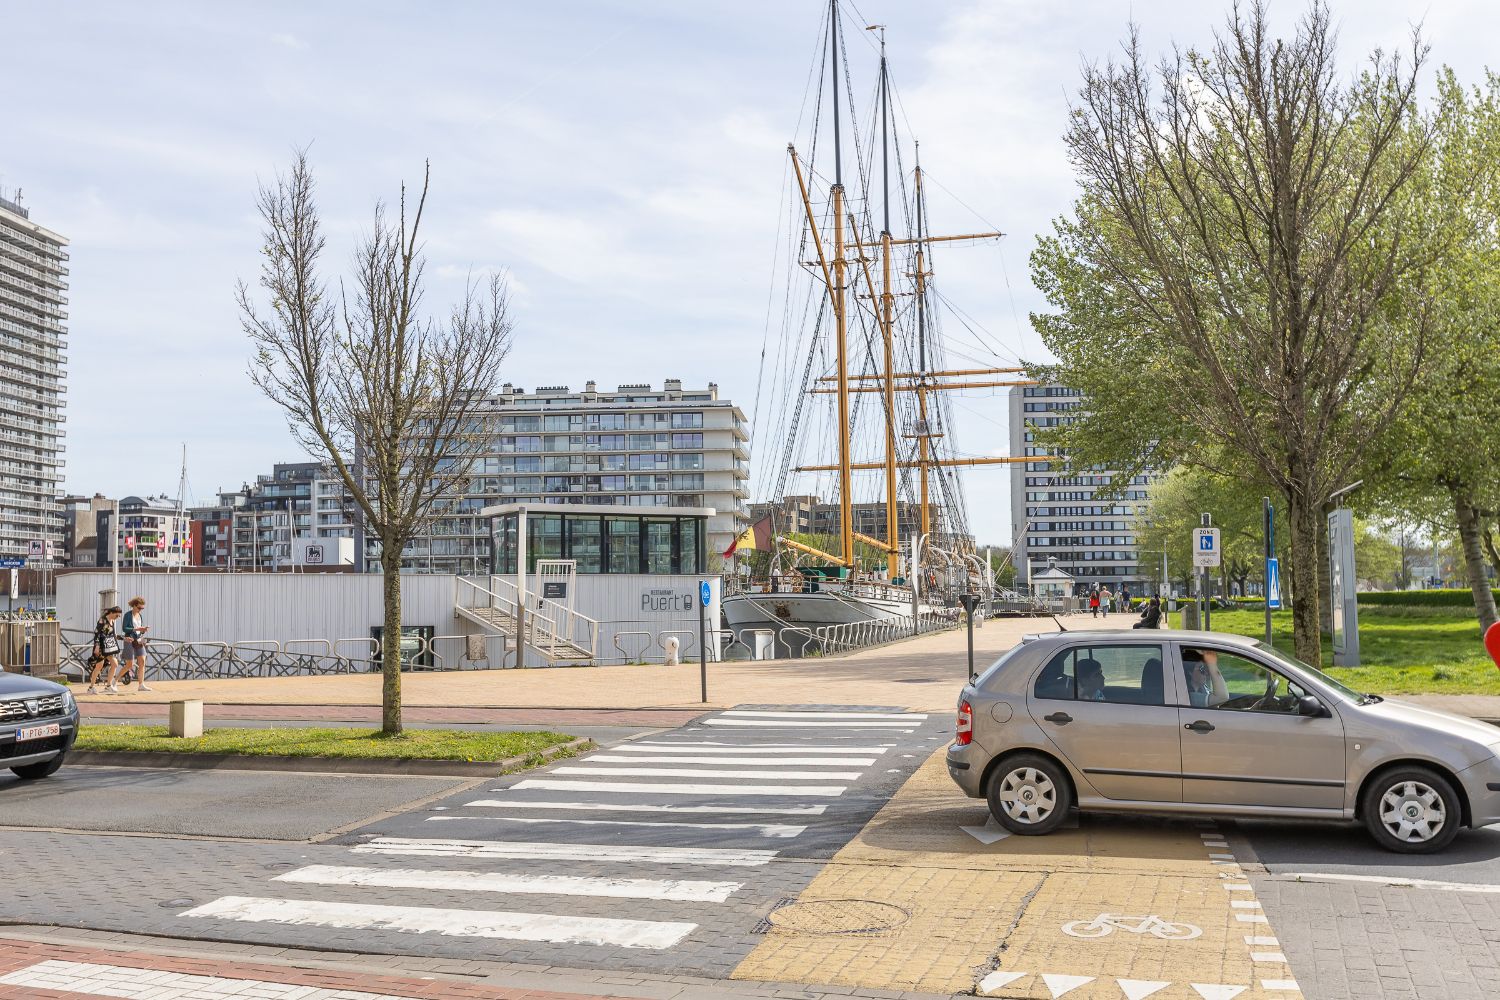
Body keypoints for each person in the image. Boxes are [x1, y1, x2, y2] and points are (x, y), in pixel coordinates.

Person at [86, 606, 124, 695]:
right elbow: (97, 633)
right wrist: (97, 646)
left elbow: (113, 635)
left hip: (108, 647)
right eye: (117, 615)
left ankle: (108, 686)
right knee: (99, 666)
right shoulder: (102, 620)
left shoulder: (112, 621)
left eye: (119, 616)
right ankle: (91, 687)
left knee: (114, 664)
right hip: (100, 646)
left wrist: (124, 638)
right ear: (111, 613)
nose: (117, 617)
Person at [120, 596, 154, 693]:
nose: (140, 610)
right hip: (129, 640)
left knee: (142, 662)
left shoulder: (140, 616)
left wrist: (143, 630)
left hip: (139, 640)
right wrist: (137, 629)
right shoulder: (127, 615)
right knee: (129, 665)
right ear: (134, 606)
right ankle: (115, 680)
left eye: (142, 608)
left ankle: (141, 685)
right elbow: (124, 629)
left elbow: (139, 630)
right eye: (139, 608)